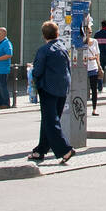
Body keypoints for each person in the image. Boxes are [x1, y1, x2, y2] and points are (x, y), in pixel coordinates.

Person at [28, 21, 75, 164]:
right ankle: (40, 150)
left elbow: (38, 71)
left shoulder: (44, 50)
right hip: (62, 88)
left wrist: (31, 70)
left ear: (43, 35)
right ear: (57, 33)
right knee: (49, 120)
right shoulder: (63, 48)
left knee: (50, 121)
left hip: (48, 88)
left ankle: (65, 149)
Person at [83, 26, 102, 117]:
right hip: (83, 68)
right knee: (82, 88)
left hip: (93, 67)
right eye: (87, 32)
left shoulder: (94, 41)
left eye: (90, 32)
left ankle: (94, 109)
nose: (89, 34)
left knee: (94, 88)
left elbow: (97, 54)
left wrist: (99, 66)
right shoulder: (81, 43)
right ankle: (82, 108)